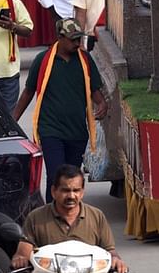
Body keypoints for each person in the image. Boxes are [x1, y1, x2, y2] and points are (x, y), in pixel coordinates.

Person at [11, 165, 128, 273]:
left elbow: (110, 250)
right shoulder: (36, 217)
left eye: (76, 190)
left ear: (82, 192)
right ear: (54, 191)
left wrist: (116, 260)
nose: (71, 196)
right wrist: (20, 259)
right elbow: (24, 250)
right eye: (65, 190)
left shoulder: (96, 217)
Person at [14, 19, 109, 182]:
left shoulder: (85, 60)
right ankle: (53, 208)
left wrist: (102, 104)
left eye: (79, 39)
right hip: (51, 131)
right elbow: (28, 92)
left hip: (77, 132)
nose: (77, 43)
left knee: (72, 180)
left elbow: (95, 91)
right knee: (56, 178)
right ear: (59, 37)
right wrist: (12, 121)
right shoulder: (42, 60)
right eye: (73, 39)